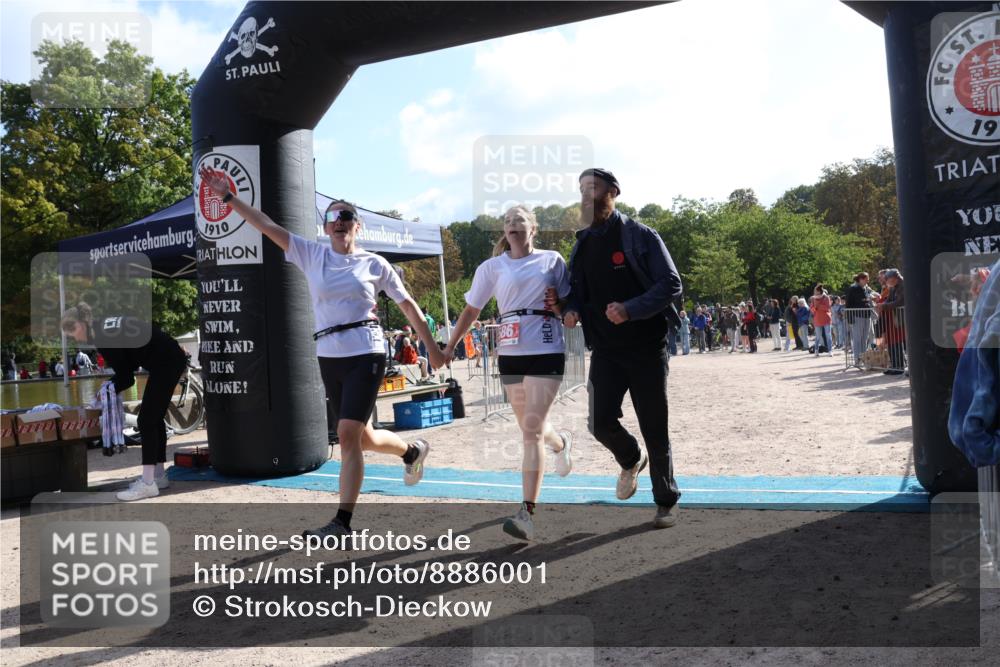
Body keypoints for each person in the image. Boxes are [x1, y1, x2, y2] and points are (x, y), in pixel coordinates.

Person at [200, 166, 444, 542]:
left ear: (357, 226)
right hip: (329, 353)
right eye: (333, 217)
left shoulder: (374, 263)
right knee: (361, 436)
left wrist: (433, 349)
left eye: (347, 216)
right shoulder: (311, 254)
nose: (340, 221)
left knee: (346, 434)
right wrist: (228, 197)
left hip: (366, 349)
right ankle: (411, 452)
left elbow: (409, 305)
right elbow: (265, 224)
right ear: (326, 227)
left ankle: (341, 523)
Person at [559, 168, 683, 529]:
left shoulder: (639, 235)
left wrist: (630, 309)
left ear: (613, 191)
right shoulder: (581, 244)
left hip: (647, 347)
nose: (586, 194)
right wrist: (569, 310)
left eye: (593, 187)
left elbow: (671, 284)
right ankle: (630, 459)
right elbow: (577, 296)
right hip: (606, 352)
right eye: (582, 189)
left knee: (654, 426)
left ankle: (666, 501)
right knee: (598, 423)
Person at [444, 205, 573, 541]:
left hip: (546, 348)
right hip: (511, 354)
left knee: (529, 431)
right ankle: (560, 443)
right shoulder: (492, 267)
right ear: (504, 232)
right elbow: (472, 310)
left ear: (533, 227)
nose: (513, 225)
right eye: (507, 221)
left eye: (519, 220)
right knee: (533, 427)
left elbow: (569, 305)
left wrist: (559, 305)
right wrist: (449, 346)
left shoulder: (552, 260)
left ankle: (526, 513)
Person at [61, 302, 186, 501]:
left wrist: (103, 392)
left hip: (166, 361)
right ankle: (158, 476)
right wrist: (109, 386)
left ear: (82, 324)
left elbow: (126, 378)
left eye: (72, 331)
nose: (73, 337)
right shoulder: (103, 326)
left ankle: (147, 484)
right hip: (168, 356)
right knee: (153, 418)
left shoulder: (102, 337)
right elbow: (129, 366)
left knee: (146, 421)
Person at [877, 268, 905, 374]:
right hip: (893, 319)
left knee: (897, 343)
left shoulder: (903, 285)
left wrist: (884, 306)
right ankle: (894, 365)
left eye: (887, 279)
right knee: (892, 343)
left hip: (901, 318)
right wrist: (883, 305)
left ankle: (899, 366)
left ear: (894, 278)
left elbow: (901, 302)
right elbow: (889, 300)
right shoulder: (893, 287)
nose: (886, 281)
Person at [845, 272, 873, 366]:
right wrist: (850, 319)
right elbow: (848, 304)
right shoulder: (853, 289)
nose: (868, 281)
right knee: (857, 339)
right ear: (860, 279)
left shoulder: (866, 289)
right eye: (866, 279)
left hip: (867, 316)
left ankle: (864, 358)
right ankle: (857, 360)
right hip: (857, 316)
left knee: (865, 339)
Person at [810, 284, 833, 356]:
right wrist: (814, 309)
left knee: (828, 335)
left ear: (819, 291)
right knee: (818, 336)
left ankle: (830, 351)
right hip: (817, 319)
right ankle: (816, 350)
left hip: (826, 318)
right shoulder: (813, 298)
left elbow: (828, 307)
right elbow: (811, 308)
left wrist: (819, 306)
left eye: (815, 291)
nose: (814, 292)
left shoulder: (826, 297)